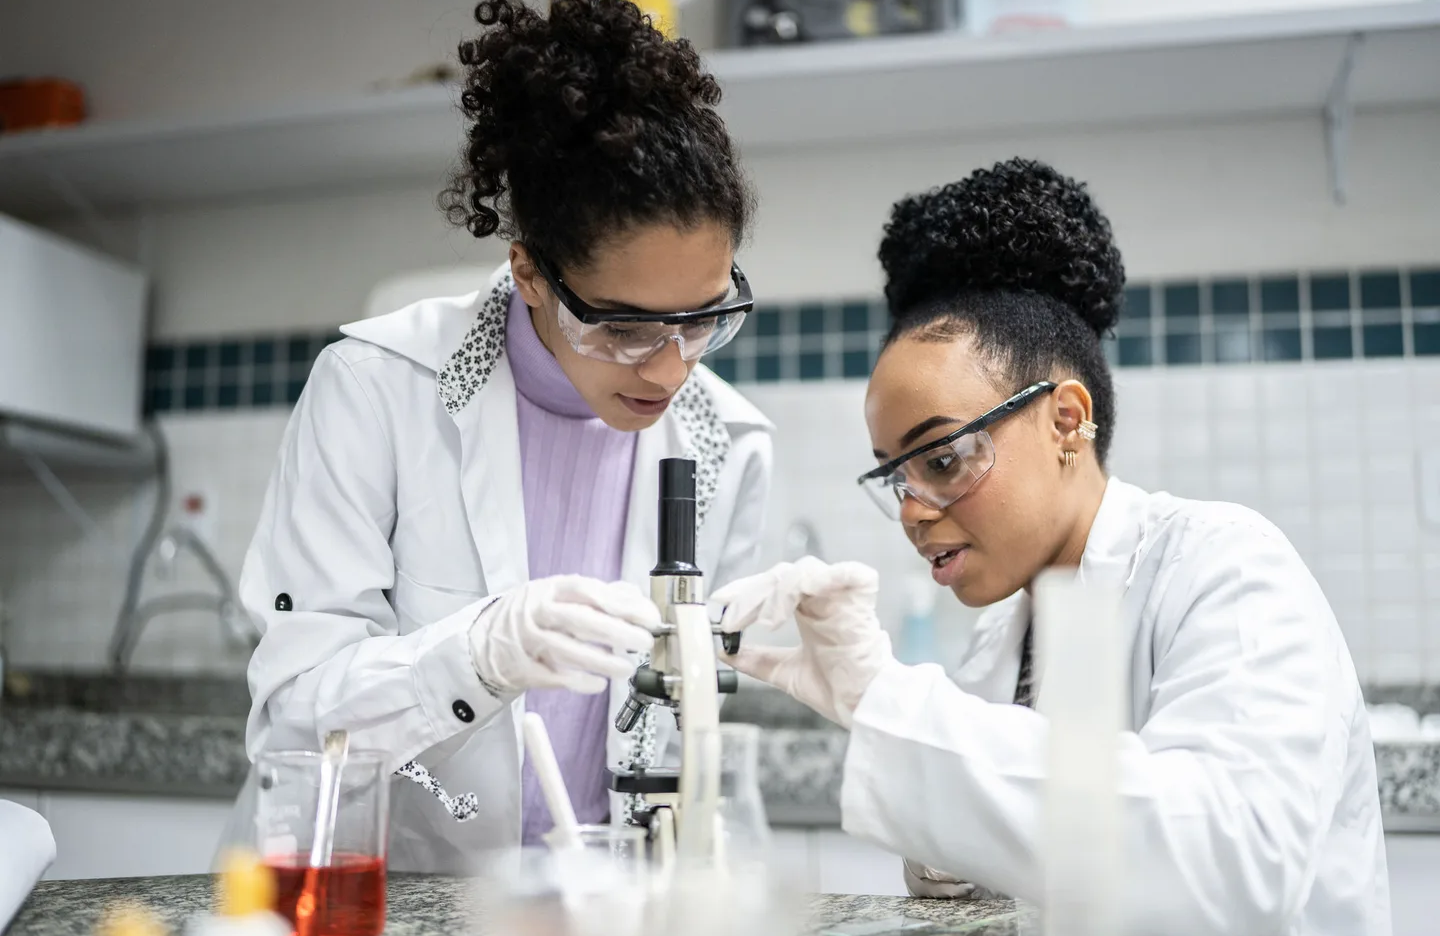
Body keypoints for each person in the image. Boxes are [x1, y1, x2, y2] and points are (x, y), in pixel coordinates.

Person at [716, 159, 1389, 935]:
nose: (911, 511)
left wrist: (887, 701)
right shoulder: (1004, 639)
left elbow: (1231, 863)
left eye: (941, 460)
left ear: (1066, 421)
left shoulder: (1227, 569)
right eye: (896, 477)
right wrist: (946, 851)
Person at [234, 0, 772, 872]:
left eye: (705, 319)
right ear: (530, 271)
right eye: (627, 328)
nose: (671, 372)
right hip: (382, 898)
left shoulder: (730, 444)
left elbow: (683, 737)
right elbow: (294, 720)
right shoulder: (375, 389)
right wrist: (474, 657)